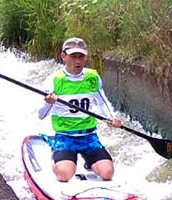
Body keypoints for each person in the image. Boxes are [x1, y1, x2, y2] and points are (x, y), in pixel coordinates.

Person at [38, 37, 123, 182]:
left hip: (89, 137)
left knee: (108, 173)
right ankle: (56, 152)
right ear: (64, 56)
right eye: (73, 56)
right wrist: (48, 103)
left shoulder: (92, 77)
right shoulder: (54, 79)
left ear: (86, 57)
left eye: (81, 56)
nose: (77, 61)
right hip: (65, 137)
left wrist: (111, 118)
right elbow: (41, 115)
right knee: (64, 175)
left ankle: (89, 161)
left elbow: (102, 102)